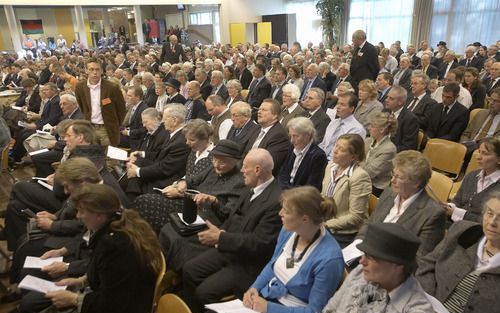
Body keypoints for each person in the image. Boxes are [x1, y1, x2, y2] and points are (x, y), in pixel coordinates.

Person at [161, 149, 282, 312]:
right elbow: (233, 217)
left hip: (248, 264)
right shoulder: (251, 186)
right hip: (230, 250)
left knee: (203, 293)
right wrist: (215, 207)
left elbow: (260, 243)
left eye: (245, 167)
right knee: (189, 270)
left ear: (257, 170)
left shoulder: (275, 201)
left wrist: (220, 237)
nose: (241, 170)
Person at [42, 183, 162, 313]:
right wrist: (81, 281)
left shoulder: (115, 246)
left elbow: (112, 304)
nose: (78, 216)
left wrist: (74, 299)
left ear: (99, 215)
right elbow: (110, 278)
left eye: (82, 211)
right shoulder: (120, 226)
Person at [243, 186, 344, 313]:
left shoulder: (330, 260)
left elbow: (314, 310)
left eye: (286, 211)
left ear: (305, 219)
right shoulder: (288, 231)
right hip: (269, 296)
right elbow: (273, 264)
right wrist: (254, 288)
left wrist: (269, 308)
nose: (280, 213)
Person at [416, 193, 500, 313]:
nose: (492, 222)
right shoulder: (462, 231)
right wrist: (428, 302)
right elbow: (427, 265)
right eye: (489, 213)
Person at [323, 222, 434, 313]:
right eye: (364, 254)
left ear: (398, 266)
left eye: (371, 258)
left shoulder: (416, 309)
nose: (362, 261)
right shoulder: (360, 273)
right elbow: (330, 308)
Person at [357, 150, 446, 259]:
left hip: (391, 268)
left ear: (416, 182)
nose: (392, 180)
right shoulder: (388, 193)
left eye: (399, 177)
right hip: (364, 254)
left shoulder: (433, 214)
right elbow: (369, 224)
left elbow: (421, 258)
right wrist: (358, 244)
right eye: (393, 174)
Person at [322, 134, 372, 247]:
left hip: (344, 233)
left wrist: (325, 224)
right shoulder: (330, 167)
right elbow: (324, 196)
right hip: (325, 222)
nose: (335, 151)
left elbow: (355, 217)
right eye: (336, 146)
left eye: (341, 149)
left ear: (353, 157)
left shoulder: (359, 177)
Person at [446, 138, 500, 223]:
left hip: (478, 232)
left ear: (498, 159)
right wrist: (449, 207)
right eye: (479, 151)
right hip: (456, 224)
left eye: (485, 154)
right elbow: (457, 201)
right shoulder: (472, 175)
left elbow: (490, 221)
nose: (478, 157)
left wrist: (458, 213)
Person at [75, 57, 126, 147]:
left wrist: (115, 124)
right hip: (91, 128)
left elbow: (121, 109)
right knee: (94, 157)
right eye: (91, 69)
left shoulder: (112, 87)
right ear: (86, 71)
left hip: (107, 129)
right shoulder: (80, 87)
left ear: (102, 71)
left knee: (111, 158)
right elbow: (83, 107)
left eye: (97, 69)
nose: (95, 72)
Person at [243, 99, 290, 175]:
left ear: (274, 115)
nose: (259, 112)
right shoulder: (256, 128)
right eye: (259, 109)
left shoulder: (279, 136)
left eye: (264, 110)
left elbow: (267, 166)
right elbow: (244, 153)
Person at [278, 117, 327, 190]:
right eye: (290, 136)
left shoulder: (318, 156)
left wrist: (289, 191)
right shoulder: (292, 147)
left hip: (300, 197)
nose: (292, 140)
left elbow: (311, 186)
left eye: (295, 136)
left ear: (308, 135)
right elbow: (283, 172)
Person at [319, 92, 366, 159]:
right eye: (338, 103)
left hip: (337, 163)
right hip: (321, 159)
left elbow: (351, 156)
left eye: (342, 104)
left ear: (352, 109)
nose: (338, 107)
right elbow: (323, 144)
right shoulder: (333, 122)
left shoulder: (357, 129)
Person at [361, 112, 398, 197]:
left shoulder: (389, 149)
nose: (369, 128)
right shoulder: (368, 141)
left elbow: (369, 173)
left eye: (373, 126)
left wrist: (357, 161)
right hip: (363, 180)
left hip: (376, 187)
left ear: (382, 130)